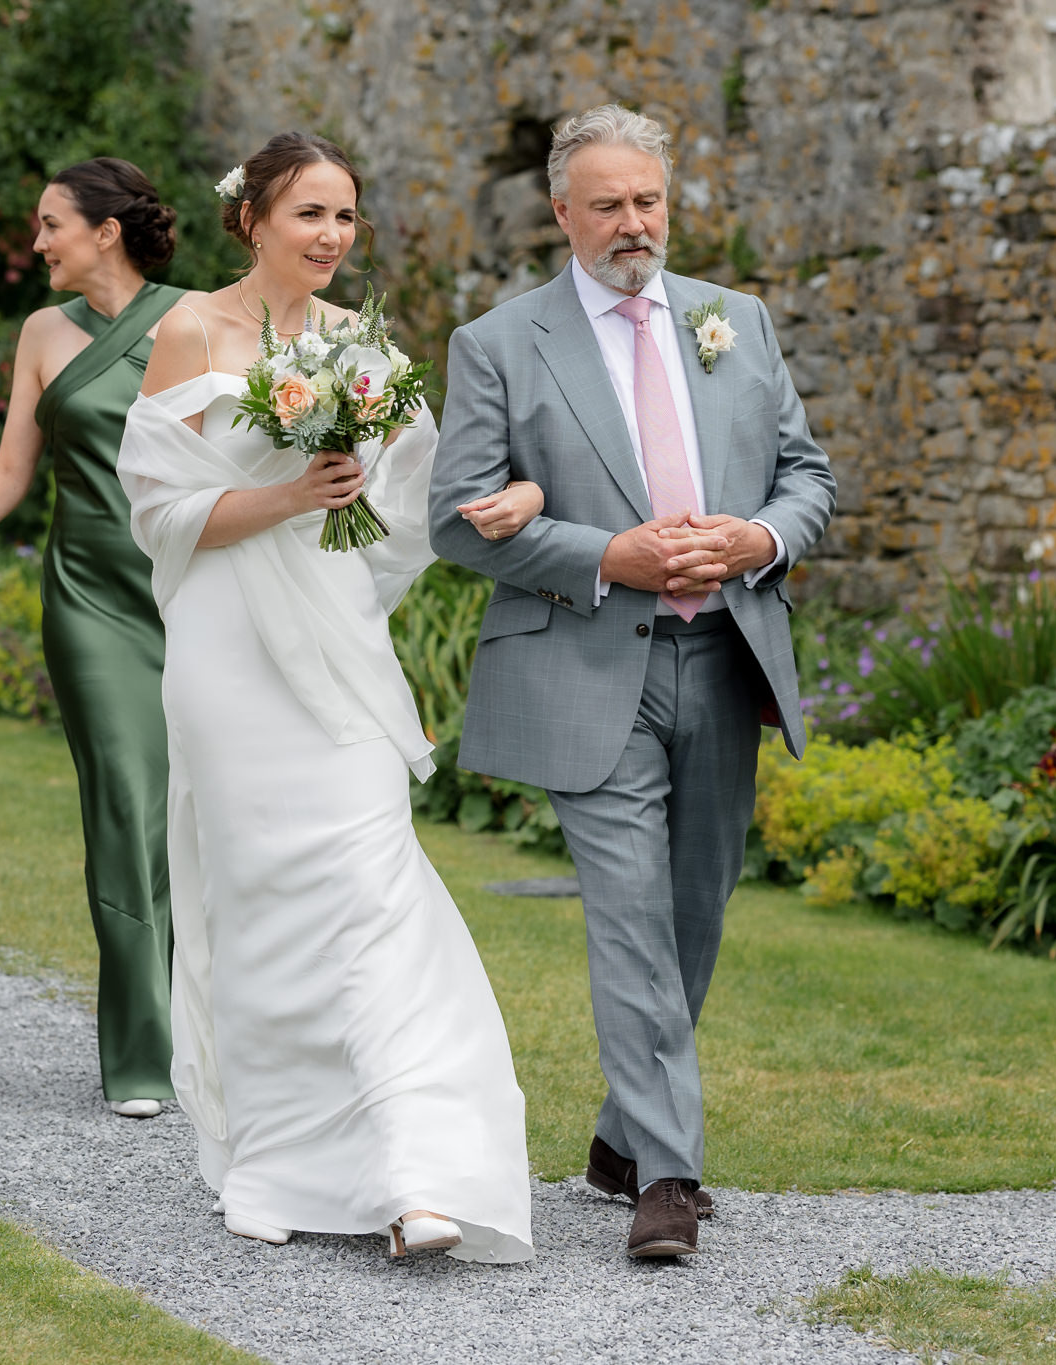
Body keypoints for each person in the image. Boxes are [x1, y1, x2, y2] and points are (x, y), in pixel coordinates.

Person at [118, 132, 537, 1261]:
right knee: (258, 905)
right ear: (250, 217)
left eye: (345, 216)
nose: (331, 236)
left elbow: (407, 504)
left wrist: (514, 496)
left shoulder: (363, 346)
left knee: (373, 890)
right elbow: (156, 515)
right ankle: (272, 1161)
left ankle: (417, 1173)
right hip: (226, 650)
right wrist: (291, 495)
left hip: (335, 640)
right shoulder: (188, 330)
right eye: (309, 213)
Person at [429, 104, 838, 1259]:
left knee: (694, 913)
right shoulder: (498, 343)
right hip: (586, 662)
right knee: (628, 917)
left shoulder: (733, 321)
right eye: (606, 204)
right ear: (561, 212)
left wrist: (756, 540)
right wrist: (607, 554)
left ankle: (619, 1138)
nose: (631, 223)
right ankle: (666, 1178)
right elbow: (454, 522)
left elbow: (805, 475)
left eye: (646, 200)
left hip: (725, 657)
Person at [0, 159, 186, 1119]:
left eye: (50, 225)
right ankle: (143, 1050)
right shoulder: (41, 332)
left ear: (105, 231)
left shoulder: (197, 320)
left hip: (193, 590)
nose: (37, 243)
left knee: (203, 808)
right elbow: (9, 471)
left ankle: (216, 1033)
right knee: (124, 799)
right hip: (91, 601)